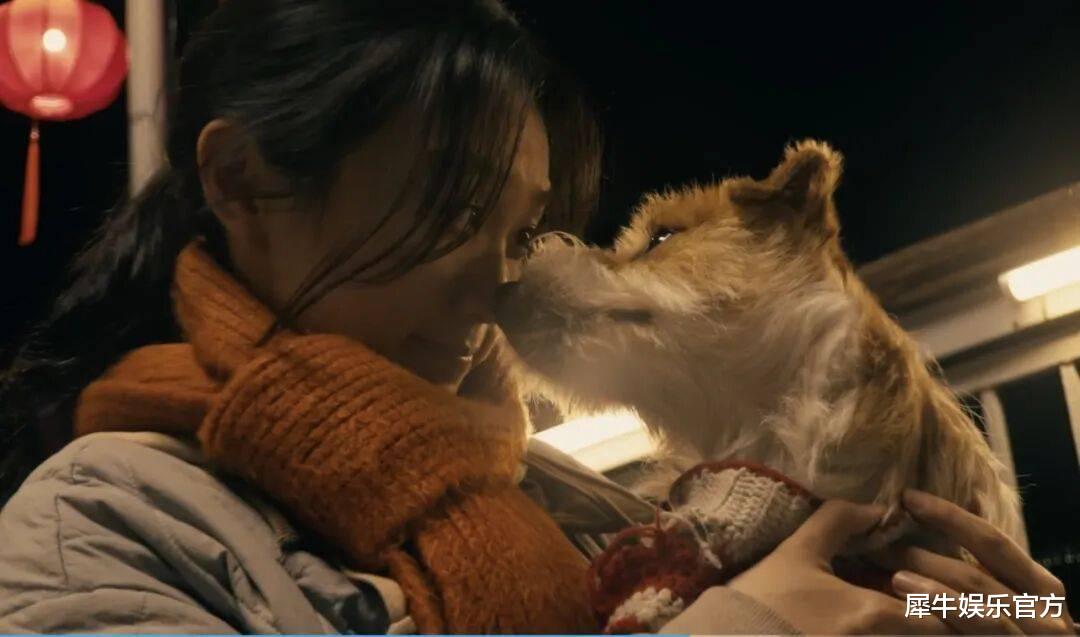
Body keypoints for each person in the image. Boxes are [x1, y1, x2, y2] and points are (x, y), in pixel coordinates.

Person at [0, 0, 1071, 633]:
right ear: (242, 179)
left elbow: (895, 598)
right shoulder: (103, 524)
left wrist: (1015, 610)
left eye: (519, 231)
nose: (498, 285)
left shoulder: (600, 509)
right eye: (449, 211)